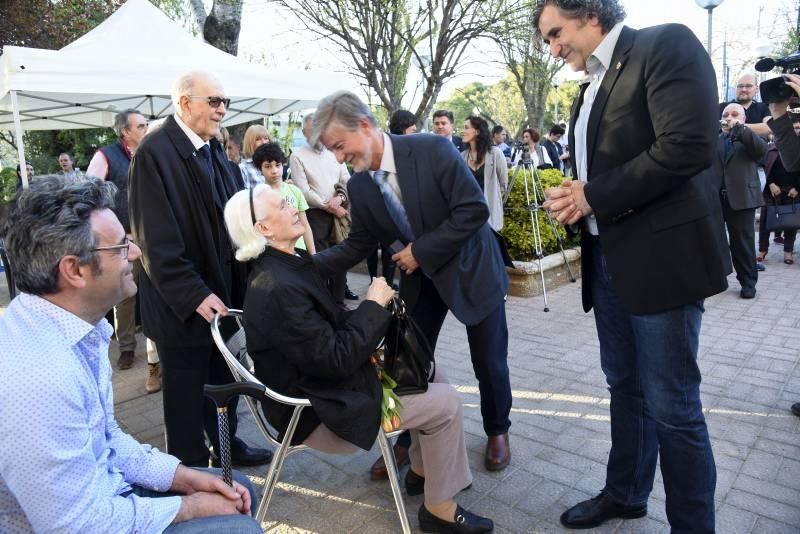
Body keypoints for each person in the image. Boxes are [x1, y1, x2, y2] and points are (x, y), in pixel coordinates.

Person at [535, 1, 727, 531]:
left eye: (555, 34)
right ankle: (626, 493)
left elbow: (687, 146)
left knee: (673, 408)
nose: (553, 50)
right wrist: (575, 202)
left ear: (588, 11)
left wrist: (592, 195)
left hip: (662, 263)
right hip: (607, 263)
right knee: (626, 389)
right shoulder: (588, 86)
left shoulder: (664, 44)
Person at [223, 185, 494, 534]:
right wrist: (373, 304)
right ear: (263, 229)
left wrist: (371, 314)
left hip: (326, 389)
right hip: (321, 413)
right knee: (446, 403)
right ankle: (439, 510)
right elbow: (336, 358)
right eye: (283, 204)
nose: (294, 206)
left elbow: (329, 333)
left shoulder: (284, 266)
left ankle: (425, 473)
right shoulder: (278, 286)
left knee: (431, 370)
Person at [0, 176, 260, 533]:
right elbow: (75, 525)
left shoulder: (68, 329)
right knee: (238, 525)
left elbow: (106, 440)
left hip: (103, 494)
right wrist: (187, 507)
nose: (136, 254)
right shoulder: (41, 377)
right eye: (122, 247)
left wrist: (184, 479)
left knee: (237, 489)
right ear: (74, 270)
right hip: (86, 522)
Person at [310, 91, 513, 475]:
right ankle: (406, 441)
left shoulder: (433, 149)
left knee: (489, 360)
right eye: (331, 151)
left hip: (473, 269)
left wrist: (419, 251)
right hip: (424, 280)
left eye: (340, 146)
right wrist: (306, 265)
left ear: (365, 126)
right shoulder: (360, 186)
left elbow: (474, 210)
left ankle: (497, 430)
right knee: (409, 362)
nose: (338, 158)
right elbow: (360, 242)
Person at [129, 71, 271, 468]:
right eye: (213, 101)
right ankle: (189, 469)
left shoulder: (211, 148)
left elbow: (233, 215)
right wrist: (193, 293)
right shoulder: (154, 152)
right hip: (184, 303)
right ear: (184, 102)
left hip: (220, 294)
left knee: (224, 382)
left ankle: (227, 448)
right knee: (186, 394)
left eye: (225, 101)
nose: (221, 109)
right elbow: (154, 241)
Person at [86, 109, 160, 392]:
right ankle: (127, 346)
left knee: (156, 295)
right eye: (141, 125)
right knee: (125, 297)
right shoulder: (105, 156)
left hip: (153, 239)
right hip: (122, 241)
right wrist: (112, 235)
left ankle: (158, 358)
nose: (146, 129)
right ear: (124, 132)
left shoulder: (152, 154)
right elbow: (90, 195)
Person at [290, 114, 357, 305]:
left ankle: (338, 303)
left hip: (338, 214)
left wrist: (341, 198)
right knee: (320, 261)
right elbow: (303, 190)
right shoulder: (297, 156)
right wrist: (328, 206)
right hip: (314, 216)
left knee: (341, 259)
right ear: (305, 133)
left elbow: (347, 179)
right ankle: (321, 304)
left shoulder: (334, 153)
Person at [716, 103, 768, 299]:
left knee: (742, 245)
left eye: (735, 114)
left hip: (742, 200)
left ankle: (748, 282)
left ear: (744, 119)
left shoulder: (748, 137)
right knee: (715, 242)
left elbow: (761, 152)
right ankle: (717, 279)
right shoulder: (716, 140)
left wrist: (740, 128)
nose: (729, 117)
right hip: (716, 200)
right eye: (725, 114)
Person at [253, 142, 315, 253]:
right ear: (259, 169)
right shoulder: (258, 196)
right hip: (274, 252)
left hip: (299, 250)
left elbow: (305, 224)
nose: (274, 170)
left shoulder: (295, 191)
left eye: (277, 165)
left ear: (283, 165)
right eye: (267, 166)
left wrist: (313, 255)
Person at [461, 115, 508, 231]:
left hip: (490, 212)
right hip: (468, 215)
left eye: (466, 128)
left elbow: (503, 183)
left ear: (477, 131)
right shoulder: (462, 156)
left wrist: (493, 198)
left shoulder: (495, 153)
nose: (463, 131)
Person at [757, 139, 800, 265]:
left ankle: (788, 251)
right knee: (765, 220)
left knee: (790, 222)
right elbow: (764, 168)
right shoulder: (770, 149)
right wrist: (770, 184)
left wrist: (797, 188)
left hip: (793, 190)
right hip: (772, 190)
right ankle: (762, 250)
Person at [719, 73, 772, 138]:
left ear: (757, 89)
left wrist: (738, 126)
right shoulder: (723, 107)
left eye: (748, 86)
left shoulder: (764, 107)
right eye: (740, 86)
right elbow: (714, 125)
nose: (743, 89)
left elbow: (769, 127)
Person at [239, 124, 271, 189]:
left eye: (266, 138)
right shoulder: (243, 168)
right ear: (249, 143)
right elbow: (244, 196)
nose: (263, 142)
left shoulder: (274, 164)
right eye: (258, 139)